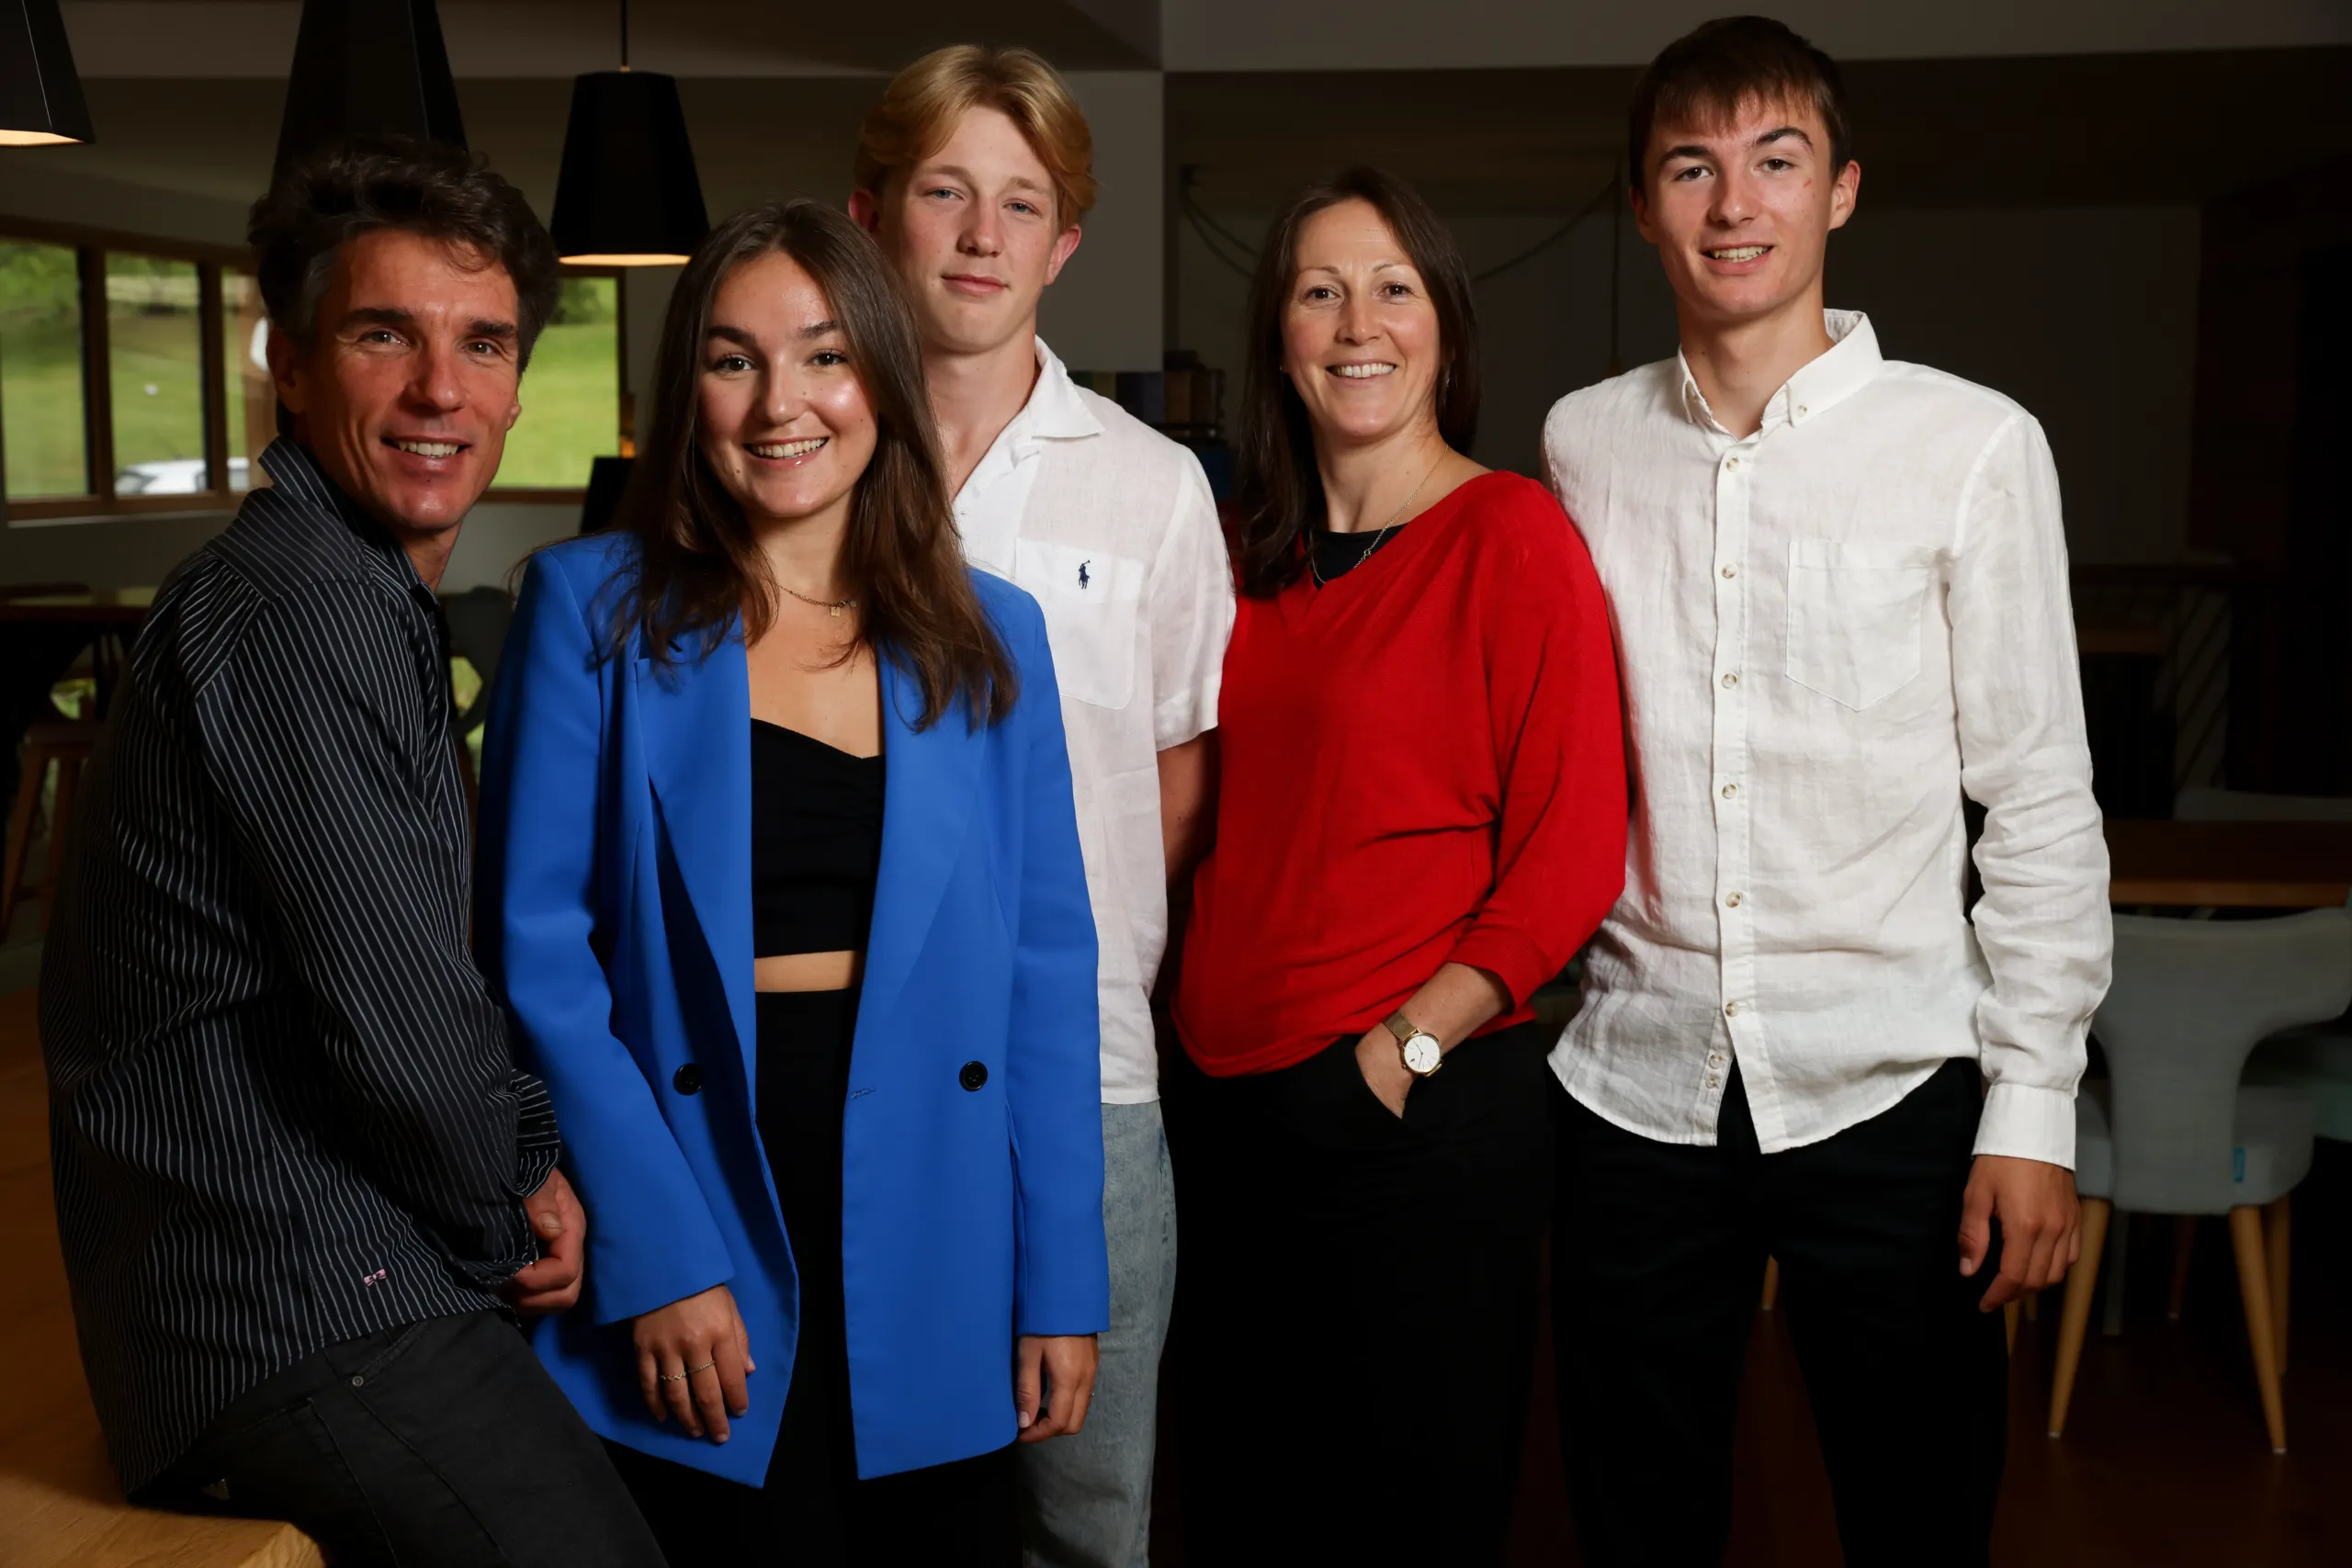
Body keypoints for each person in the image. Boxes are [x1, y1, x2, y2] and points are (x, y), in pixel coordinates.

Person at [39, 138, 662, 1567]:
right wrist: (518, 1189)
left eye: (483, 343)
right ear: (295, 368)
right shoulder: (301, 609)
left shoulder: (350, 592)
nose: (443, 388)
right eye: (386, 334)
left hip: (320, 1269)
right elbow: (403, 1027)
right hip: (283, 1298)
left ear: (517, 382)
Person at [1539, 17, 2110, 1565]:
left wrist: (2034, 1106)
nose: (1736, 204)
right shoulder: (1581, 443)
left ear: (1842, 190)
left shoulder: (1974, 446)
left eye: (1776, 161)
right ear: (1644, 206)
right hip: (1636, 1078)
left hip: (1894, 1080)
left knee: (1920, 1517)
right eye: (1692, 168)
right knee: (1633, 1518)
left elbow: (2039, 797)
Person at [471, 198, 1109, 1567]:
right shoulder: (590, 608)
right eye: (733, 359)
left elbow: (1049, 977)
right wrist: (655, 1247)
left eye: (825, 356)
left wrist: (1061, 1275)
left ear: (881, 375)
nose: (781, 404)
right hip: (694, 1160)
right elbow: (538, 956)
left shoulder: (994, 637)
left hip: (935, 1195)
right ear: (686, 388)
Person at [1166, 165, 1626, 1565]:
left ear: (1444, 327)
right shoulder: (1239, 561)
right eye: (1320, 292)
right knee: (1239, 1512)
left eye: (1393, 288)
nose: (1357, 323)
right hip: (1221, 1112)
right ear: (1280, 338)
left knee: (1406, 1521)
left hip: (1412, 1114)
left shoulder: (1511, 536)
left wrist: (1406, 1049)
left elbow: (1572, 851)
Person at [846, 44, 1236, 1568]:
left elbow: (1174, 787)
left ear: (1065, 242)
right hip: (848, 1067)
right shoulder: (804, 462)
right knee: (885, 1511)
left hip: (1089, 1077)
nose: (980, 236)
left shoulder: (1154, 486)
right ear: (872, 212)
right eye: (945, 192)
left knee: (1087, 1521)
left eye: (1020, 204)